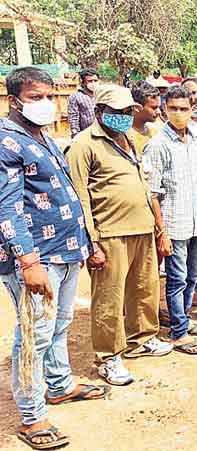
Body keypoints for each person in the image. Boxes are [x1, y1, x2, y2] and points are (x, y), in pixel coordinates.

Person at [0, 67, 109, 450]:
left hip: (63, 249)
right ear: (15, 100)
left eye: (49, 96)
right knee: (34, 334)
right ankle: (31, 417)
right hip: (35, 256)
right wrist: (28, 261)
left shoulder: (41, 136)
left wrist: (84, 244)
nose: (46, 103)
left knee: (60, 324)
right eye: (36, 97)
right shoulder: (6, 141)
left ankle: (60, 385)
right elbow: (6, 207)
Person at [66, 84, 173, 386]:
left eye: (128, 112)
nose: (124, 117)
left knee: (144, 289)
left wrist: (156, 227)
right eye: (117, 112)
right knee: (109, 299)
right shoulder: (83, 145)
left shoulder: (128, 139)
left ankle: (141, 338)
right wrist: (91, 242)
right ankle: (108, 356)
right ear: (99, 112)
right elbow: (80, 197)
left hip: (141, 227)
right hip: (110, 233)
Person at [143, 85, 197, 355]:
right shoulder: (158, 145)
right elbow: (153, 194)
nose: (179, 113)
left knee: (192, 276)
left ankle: (182, 319)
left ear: (192, 109)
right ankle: (179, 333)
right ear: (164, 109)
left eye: (184, 108)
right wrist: (162, 232)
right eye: (173, 108)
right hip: (174, 225)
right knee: (176, 278)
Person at [128, 80, 163, 156]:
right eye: (154, 108)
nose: (159, 112)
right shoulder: (125, 136)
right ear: (137, 107)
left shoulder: (158, 129)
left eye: (159, 107)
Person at [67, 68, 99, 137]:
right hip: (87, 135)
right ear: (83, 82)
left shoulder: (101, 95)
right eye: (90, 81)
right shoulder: (75, 97)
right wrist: (76, 135)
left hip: (102, 133)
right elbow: (73, 118)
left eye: (95, 80)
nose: (93, 83)